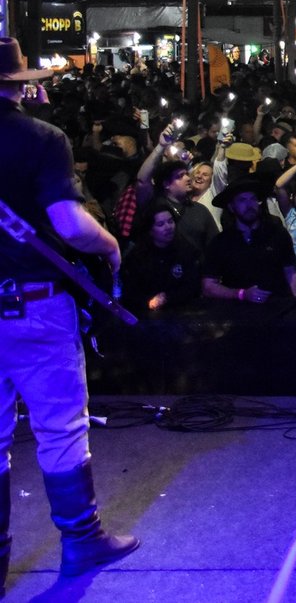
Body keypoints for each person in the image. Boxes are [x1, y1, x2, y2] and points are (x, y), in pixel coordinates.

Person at [0, 38, 140, 583]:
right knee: (59, 427)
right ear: (17, 85)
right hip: (32, 306)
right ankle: (82, 542)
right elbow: (69, 224)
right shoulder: (42, 138)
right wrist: (111, 244)